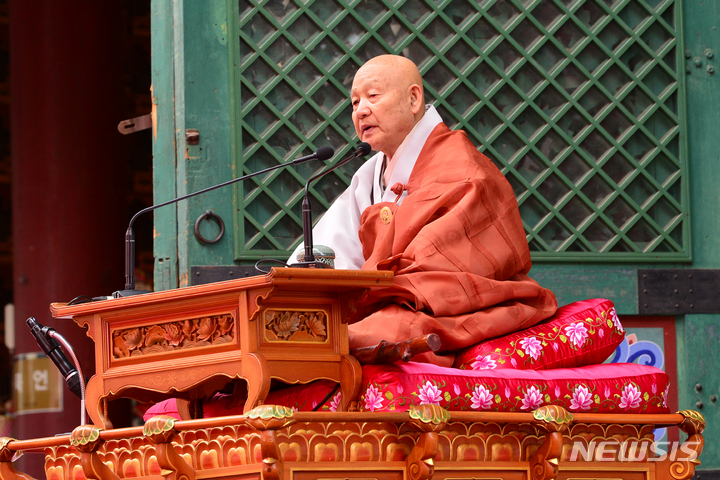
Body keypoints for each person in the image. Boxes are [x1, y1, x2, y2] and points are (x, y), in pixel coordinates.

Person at [294, 54, 557, 366]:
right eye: (354, 103)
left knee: (382, 331)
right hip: (386, 300)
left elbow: (447, 268)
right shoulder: (369, 174)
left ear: (413, 99)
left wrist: (375, 290)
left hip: (442, 304)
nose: (361, 110)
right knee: (304, 329)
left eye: (373, 96)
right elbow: (331, 250)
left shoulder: (463, 169)